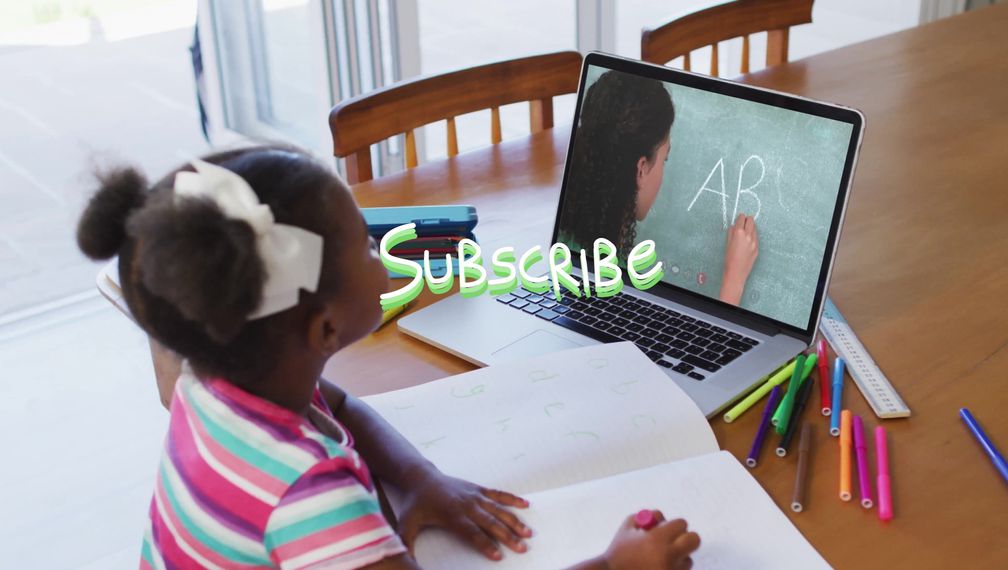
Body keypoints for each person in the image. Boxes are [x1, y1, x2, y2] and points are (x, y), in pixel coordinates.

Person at [76, 146, 700, 569]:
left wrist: (419, 478)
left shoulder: (213, 380)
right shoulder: (314, 501)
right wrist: (615, 564)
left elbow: (340, 405)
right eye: (369, 248)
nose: (387, 254)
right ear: (324, 328)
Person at [559, 70, 759, 306]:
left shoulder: (569, 245)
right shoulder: (610, 282)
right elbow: (696, 345)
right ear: (641, 168)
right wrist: (733, 281)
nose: (664, 168)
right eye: (664, 159)